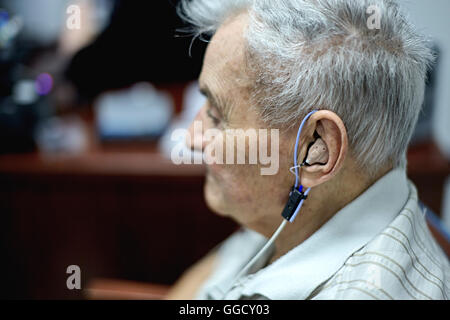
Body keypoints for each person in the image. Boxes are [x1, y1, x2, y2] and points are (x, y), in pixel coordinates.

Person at [166, 0, 450, 300]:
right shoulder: (297, 209)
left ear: (317, 150)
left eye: (216, 114)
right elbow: (212, 280)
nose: (191, 139)